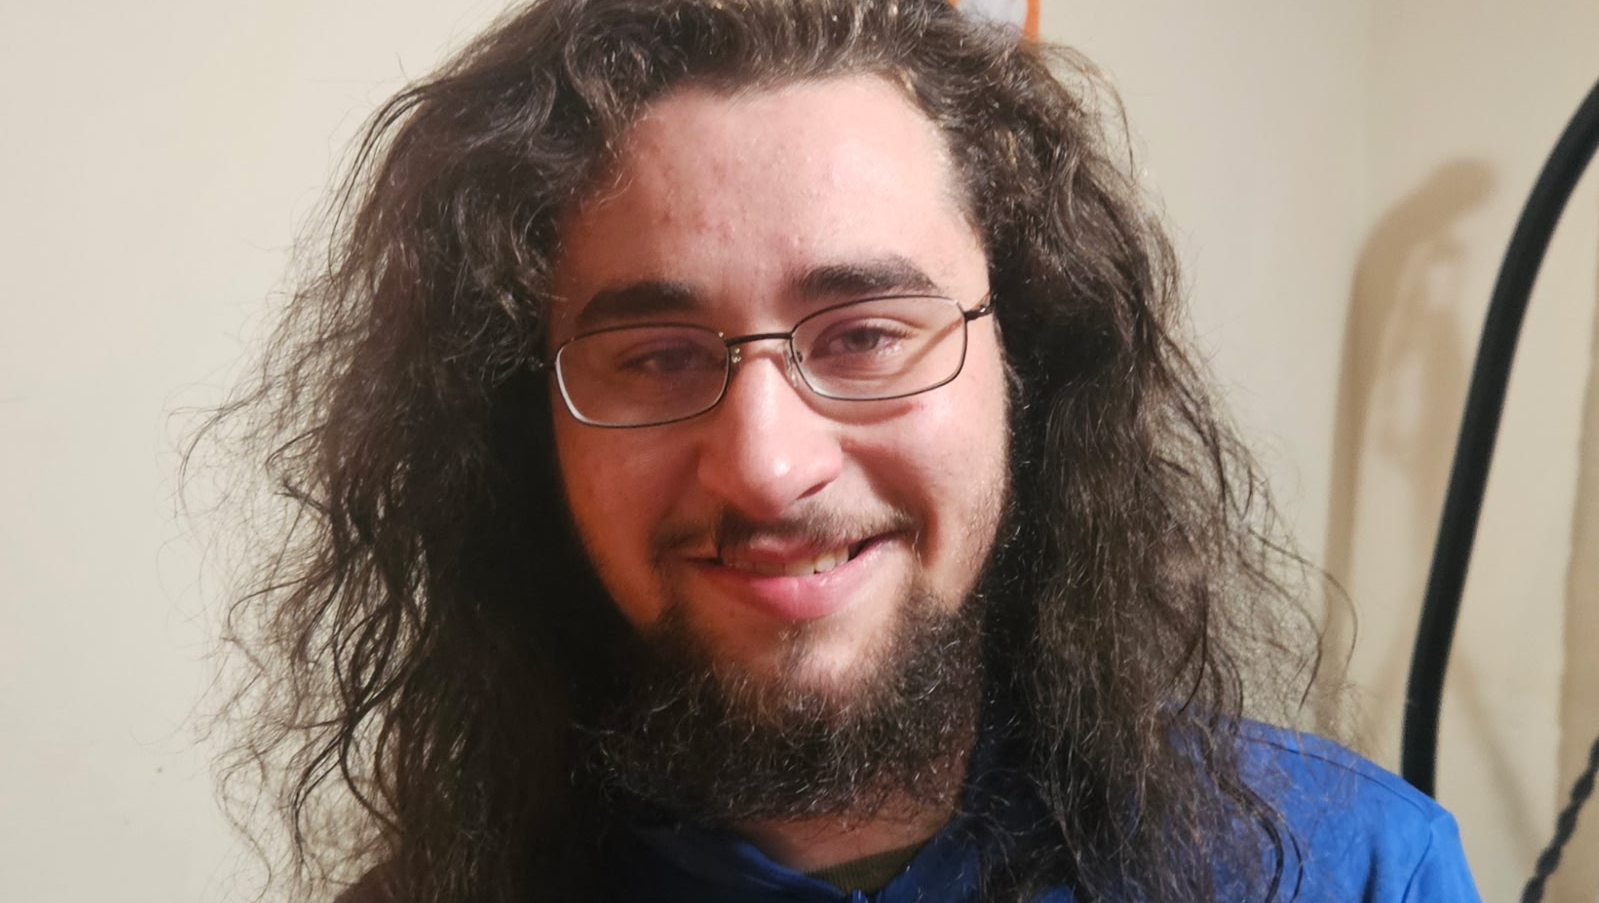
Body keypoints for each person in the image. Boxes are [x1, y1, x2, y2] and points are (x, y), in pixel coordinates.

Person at [207, 0, 1482, 900]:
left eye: (867, 334)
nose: (767, 467)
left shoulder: (1347, 872)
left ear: (1027, 367)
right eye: (655, 356)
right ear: (519, 430)